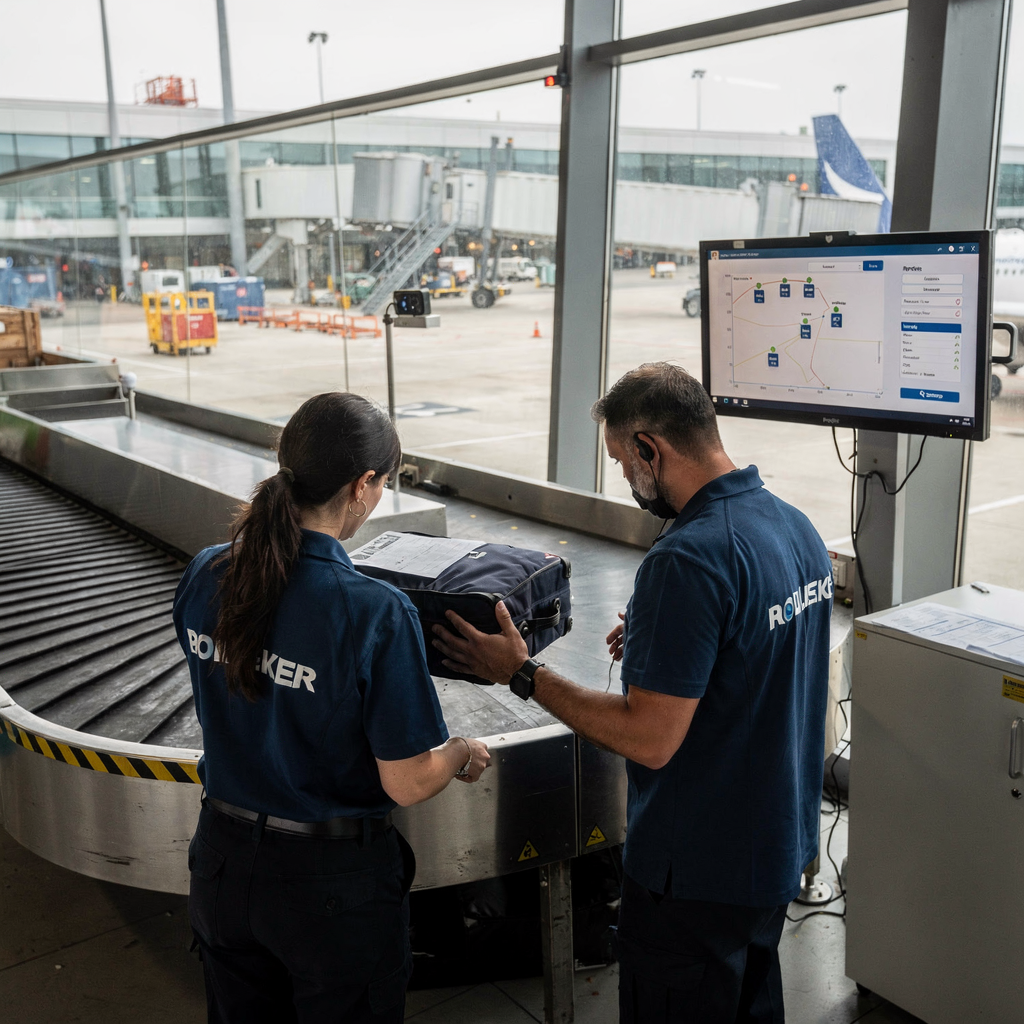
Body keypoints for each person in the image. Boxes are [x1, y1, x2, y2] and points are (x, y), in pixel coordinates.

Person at [432, 362, 833, 1023]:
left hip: (695, 875)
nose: (627, 477)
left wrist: (520, 670)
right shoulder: (793, 527)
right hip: (773, 849)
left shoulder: (688, 558)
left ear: (652, 447)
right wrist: (668, 642)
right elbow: (756, 659)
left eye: (623, 461)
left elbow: (648, 739)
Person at [173, 392, 491, 1024]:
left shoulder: (208, 571)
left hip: (222, 865)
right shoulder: (372, 610)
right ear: (363, 485)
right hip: (329, 890)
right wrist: (458, 752)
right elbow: (405, 780)